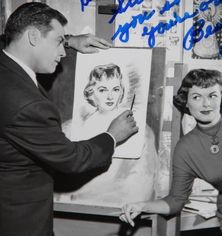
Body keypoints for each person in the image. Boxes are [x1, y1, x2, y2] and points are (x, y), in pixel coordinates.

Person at [0, 2, 138, 236]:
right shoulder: (28, 105)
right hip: (19, 222)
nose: (63, 53)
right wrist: (112, 135)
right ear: (33, 37)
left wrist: (70, 39)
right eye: (58, 42)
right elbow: (72, 159)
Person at [119, 68, 222, 236]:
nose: (206, 104)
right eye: (197, 97)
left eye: (212, 95)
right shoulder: (186, 148)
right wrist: (142, 205)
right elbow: (176, 200)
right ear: (186, 102)